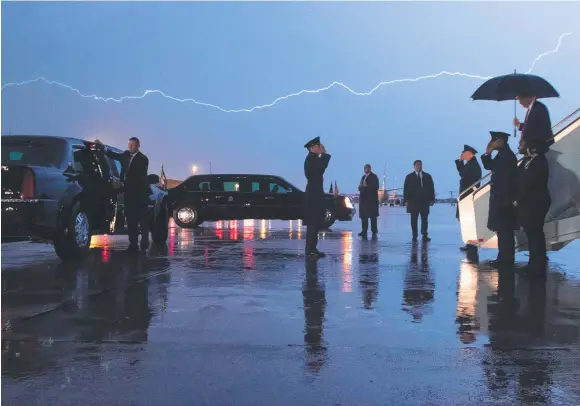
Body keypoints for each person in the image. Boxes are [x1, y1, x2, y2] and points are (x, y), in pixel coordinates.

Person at [101, 137, 151, 252]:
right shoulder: (125, 155)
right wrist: (102, 147)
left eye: (133, 145)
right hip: (129, 193)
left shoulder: (143, 159)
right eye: (129, 144)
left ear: (138, 146)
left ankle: (144, 241)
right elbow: (113, 155)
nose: (130, 146)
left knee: (142, 219)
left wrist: (124, 183)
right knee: (130, 219)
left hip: (140, 194)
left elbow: (138, 175)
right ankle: (132, 244)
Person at [481, 131, 518, 268]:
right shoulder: (501, 155)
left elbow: (508, 180)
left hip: (504, 200)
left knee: (505, 231)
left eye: (494, 140)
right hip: (500, 198)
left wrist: (506, 200)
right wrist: (487, 153)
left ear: (502, 141)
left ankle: (506, 260)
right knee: (501, 231)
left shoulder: (507, 156)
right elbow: (489, 166)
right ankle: (503, 257)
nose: (492, 143)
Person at [514, 137, 551, 276]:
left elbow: (530, 183)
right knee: (532, 234)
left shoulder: (540, 162)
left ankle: (537, 267)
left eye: (522, 144)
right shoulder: (527, 161)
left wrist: (519, 198)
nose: (520, 146)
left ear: (532, 147)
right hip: (529, 202)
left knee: (535, 235)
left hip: (536, 202)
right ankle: (534, 264)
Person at [303, 136, 331, 258]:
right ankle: (310, 250)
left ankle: (312, 248)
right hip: (313, 195)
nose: (320, 147)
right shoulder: (310, 159)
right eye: (317, 146)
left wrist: (323, 155)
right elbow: (320, 169)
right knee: (313, 224)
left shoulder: (313, 158)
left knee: (315, 224)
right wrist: (324, 154)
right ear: (311, 148)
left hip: (315, 193)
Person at [455, 144, 482, 251]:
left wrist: (460, 161)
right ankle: (470, 243)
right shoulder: (470, 164)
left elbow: (463, 175)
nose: (462, 155)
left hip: (468, 196)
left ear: (469, 154)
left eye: (464, 153)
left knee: (470, 221)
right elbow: (462, 174)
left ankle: (472, 244)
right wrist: (460, 161)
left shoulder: (473, 165)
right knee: (467, 221)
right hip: (466, 195)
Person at [403, 160, 435, 242]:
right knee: (414, 220)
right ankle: (414, 235)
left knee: (424, 219)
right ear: (414, 166)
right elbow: (406, 189)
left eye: (420, 165)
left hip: (424, 202)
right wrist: (405, 200)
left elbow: (431, 188)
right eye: (417, 165)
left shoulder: (427, 176)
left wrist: (432, 199)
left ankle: (424, 235)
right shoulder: (409, 177)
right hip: (413, 202)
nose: (419, 166)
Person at [358, 164, 380, 238]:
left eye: (367, 168)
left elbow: (376, 187)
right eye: (364, 168)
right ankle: (364, 231)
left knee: (372, 216)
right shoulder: (363, 177)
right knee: (364, 216)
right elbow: (361, 187)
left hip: (371, 200)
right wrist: (360, 186)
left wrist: (367, 186)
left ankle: (374, 231)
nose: (365, 169)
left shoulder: (374, 177)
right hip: (363, 200)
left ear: (370, 168)